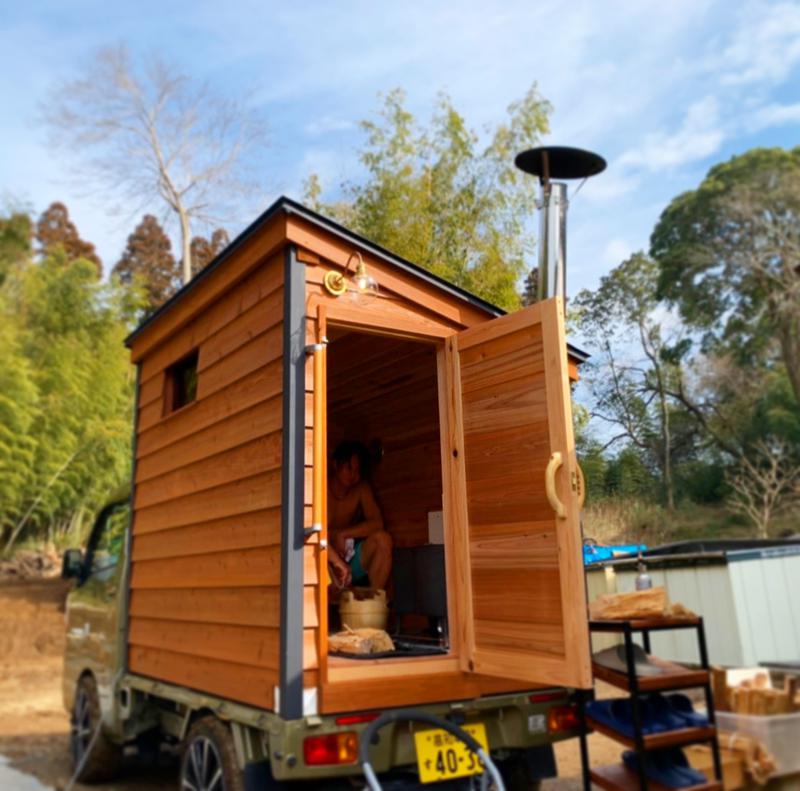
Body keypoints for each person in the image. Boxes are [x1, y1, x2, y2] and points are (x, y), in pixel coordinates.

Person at [327, 440, 392, 591]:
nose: (353, 476)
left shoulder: (361, 488)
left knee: (383, 540)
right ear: (335, 465)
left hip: (350, 556)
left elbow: (377, 523)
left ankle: (372, 605)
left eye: (357, 471)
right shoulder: (320, 488)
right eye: (349, 468)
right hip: (325, 558)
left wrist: (343, 534)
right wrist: (335, 558)